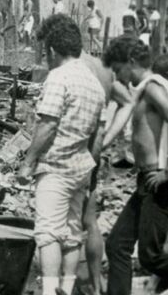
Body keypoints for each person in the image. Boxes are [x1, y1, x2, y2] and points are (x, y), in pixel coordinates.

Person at [38, 15, 134, 295]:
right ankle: (94, 282)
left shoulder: (66, 70)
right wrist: (104, 142)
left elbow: (52, 120)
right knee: (86, 222)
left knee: (54, 229)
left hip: (69, 155)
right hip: (90, 153)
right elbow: (126, 102)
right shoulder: (99, 68)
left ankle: (56, 287)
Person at [17, 16, 105, 295]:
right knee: (70, 234)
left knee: (47, 234)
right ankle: (66, 289)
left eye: (45, 52)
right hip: (80, 168)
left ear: (52, 50)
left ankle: (49, 291)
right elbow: (98, 137)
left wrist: (28, 164)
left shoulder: (59, 77)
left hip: (55, 168)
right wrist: (89, 170)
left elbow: (48, 125)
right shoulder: (94, 83)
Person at [100, 38, 168, 295]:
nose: (118, 76)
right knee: (117, 245)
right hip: (146, 180)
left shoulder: (153, 87)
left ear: (130, 61)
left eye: (118, 69)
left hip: (158, 181)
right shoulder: (142, 90)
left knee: (150, 258)